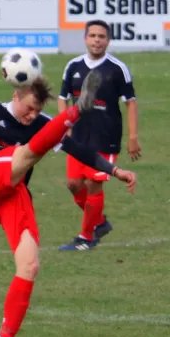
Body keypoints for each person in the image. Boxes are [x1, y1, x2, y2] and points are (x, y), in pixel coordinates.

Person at [0, 69, 136, 337]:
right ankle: (77, 110)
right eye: (29, 108)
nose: (32, 115)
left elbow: (79, 150)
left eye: (37, 110)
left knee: (29, 265)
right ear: (15, 95)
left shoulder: (44, 125)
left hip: (12, 193)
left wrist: (115, 170)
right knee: (26, 152)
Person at [58, 19, 141, 251]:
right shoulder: (73, 66)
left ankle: (86, 238)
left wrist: (133, 137)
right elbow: (63, 97)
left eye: (101, 36)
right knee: (73, 184)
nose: (97, 40)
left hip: (106, 136)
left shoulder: (117, 69)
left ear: (108, 41)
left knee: (94, 184)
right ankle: (100, 222)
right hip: (78, 137)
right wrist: (64, 125)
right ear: (85, 39)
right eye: (93, 36)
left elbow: (131, 102)